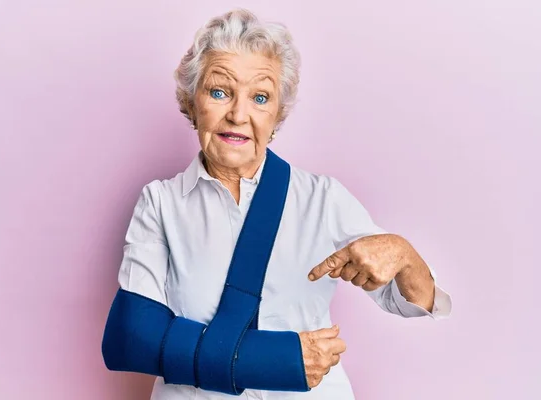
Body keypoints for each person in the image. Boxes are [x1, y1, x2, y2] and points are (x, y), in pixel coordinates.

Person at [101, 8, 452, 400]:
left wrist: (404, 255)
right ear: (191, 100)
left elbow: (415, 303)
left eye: (260, 97)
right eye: (219, 92)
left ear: (277, 113)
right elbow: (133, 338)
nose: (238, 114)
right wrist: (277, 359)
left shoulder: (323, 200)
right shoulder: (159, 204)